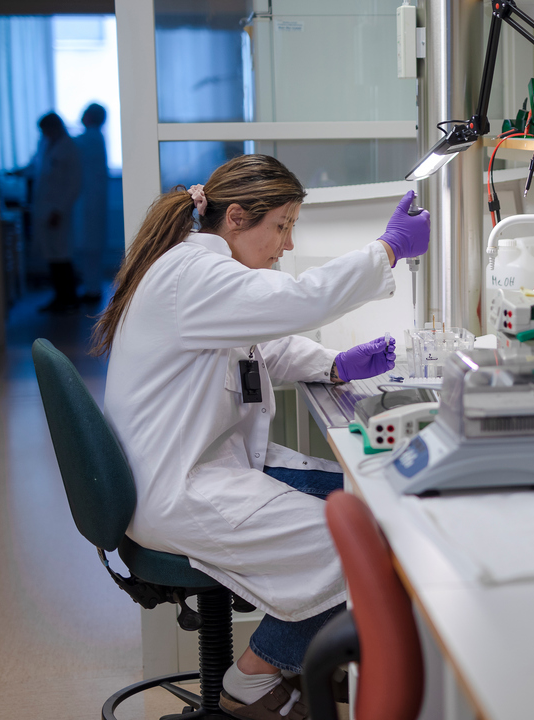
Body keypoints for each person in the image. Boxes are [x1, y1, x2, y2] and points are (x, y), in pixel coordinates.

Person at [92, 155, 429, 720]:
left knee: (369, 503)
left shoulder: (198, 273)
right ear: (237, 218)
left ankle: (303, 661)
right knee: (358, 548)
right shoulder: (193, 276)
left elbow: (256, 348)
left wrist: (336, 365)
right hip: (180, 489)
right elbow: (293, 302)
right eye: (283, 226)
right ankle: (253, 677)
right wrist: (386, 249)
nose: (287, 245)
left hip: (204, 466)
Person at [27, 112, 82, 312]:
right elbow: (37, 169)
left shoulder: (69, 148)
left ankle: (68, 298)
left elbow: (74, 184)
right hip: (43, 208)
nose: (45, 134)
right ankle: (60, 297)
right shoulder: (45, 146)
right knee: (52, 254)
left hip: (58, 211)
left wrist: (59, 210)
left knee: (61, 254)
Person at [72, 103, 110, 304]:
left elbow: (71, 145)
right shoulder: (94, 137)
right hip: (90, 201)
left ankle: (92, 290)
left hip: (90, 202)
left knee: (91, 247)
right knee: (90, 246)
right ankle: (91, 287)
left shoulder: (91, 137)